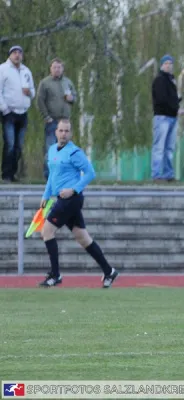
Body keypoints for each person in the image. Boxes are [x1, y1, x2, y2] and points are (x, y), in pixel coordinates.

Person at [38, 119, 119, 288]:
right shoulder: (52, 150)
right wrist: (46, 195)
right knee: (83, 237)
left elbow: (90, 173)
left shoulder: (75, 152)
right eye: (61, 131)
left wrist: (73, 190)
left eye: (67, 131)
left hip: (71, 199)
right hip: (60, 199)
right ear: (56, 132)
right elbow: (52, 176)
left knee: (47, 231)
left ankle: (55, 275)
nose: (63, 134)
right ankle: (109, 271)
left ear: (71, 133)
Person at [37, 58, 77, 179]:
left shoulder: (67, 82)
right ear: (51, 69)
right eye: (54, 67)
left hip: (65, 121)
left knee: (65, 148)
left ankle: (62, 174)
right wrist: (46, 117)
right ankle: (48, 175)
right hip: (52, 120)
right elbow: (40, 100)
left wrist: (72, 99)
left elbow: (75, 96)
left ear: (62, 69)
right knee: (51, 147)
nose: (57, 69)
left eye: (59, 67)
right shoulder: (45, 83)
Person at [0, 45, 35, 182]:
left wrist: (30, 93)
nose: (17, 55)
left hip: (23, 112)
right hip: (9, 112)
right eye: (14, 53)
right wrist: (5, 109)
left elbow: (32, 90)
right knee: (10, 143)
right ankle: (6, 174)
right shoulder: (3, 69)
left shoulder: (26, 71)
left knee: (19, 145)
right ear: (10, 55)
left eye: (19, 53)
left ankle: (13, 173)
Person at [151, 54, 182, 182]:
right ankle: (156, 174)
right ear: (162, 65)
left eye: (170, 63)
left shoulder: (171, 81)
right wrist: (176, 107)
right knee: (159, 147)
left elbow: (171, 99)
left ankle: (168, 174)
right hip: (162, 117)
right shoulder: (159, 80)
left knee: (169, 148)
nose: (168, 65)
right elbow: (162, 99)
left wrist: (177, 104)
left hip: (172, 117)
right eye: (166, 63)